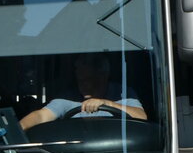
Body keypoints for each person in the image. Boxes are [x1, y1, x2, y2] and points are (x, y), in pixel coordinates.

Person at [19, 53, 147, 130]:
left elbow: (141, 117)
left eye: (89, 80)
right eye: (80, 80)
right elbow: (41, 116)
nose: (85, 85)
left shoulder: (122, 93)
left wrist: (108, 104)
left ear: (104, 76)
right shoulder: (68, 98)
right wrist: (20, 128)